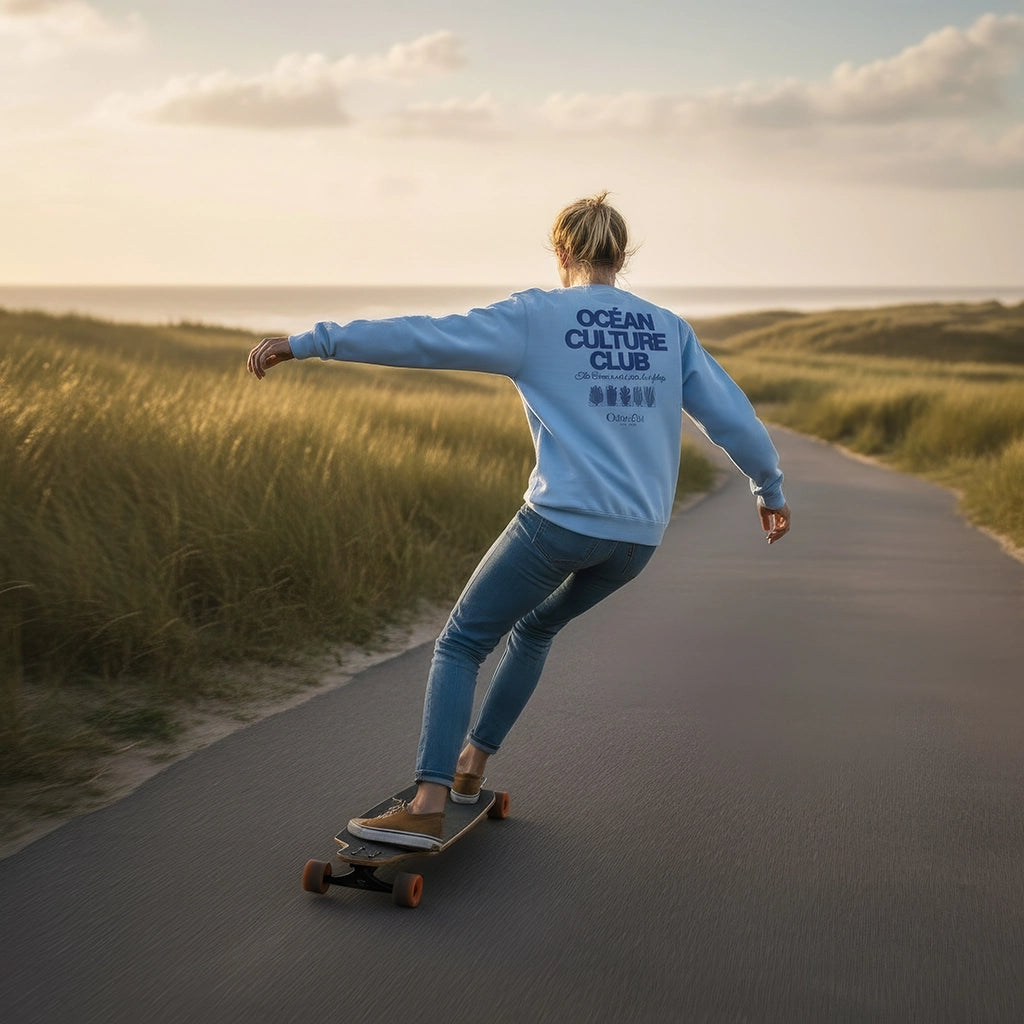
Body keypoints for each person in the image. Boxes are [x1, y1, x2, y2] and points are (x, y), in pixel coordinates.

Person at [247, 192, 791, 849]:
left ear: (562, 254)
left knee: (463, 642)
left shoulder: (537, 316)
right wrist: (769, 488)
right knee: (535, 629)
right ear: (621, 257)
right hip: (637, 539)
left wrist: (310, 343)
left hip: (559, 522)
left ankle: (425, 801)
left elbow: (425, 337)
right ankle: (473, 765)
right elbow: (729, 415)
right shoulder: (668, 329)